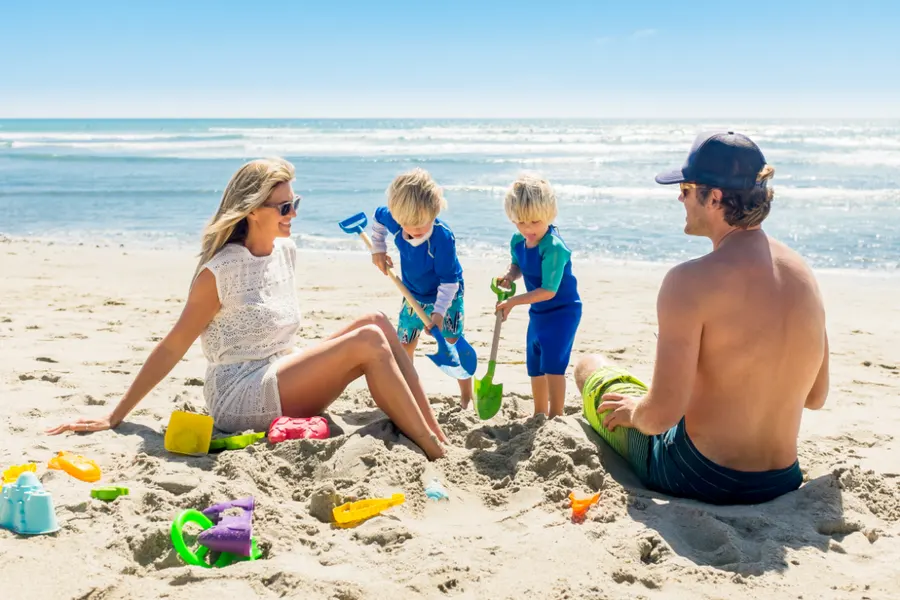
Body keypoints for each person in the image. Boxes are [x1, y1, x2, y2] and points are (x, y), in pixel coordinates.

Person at [47, 158, 447, 460]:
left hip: (281, 370)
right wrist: (114, 416)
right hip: (240, 394)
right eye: (284, 208)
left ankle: (432, 430)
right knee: (367, 342)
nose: (293, 214)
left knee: (376, 320)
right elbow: (172, 346)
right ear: (253, 209)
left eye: (295, 203)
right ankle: (432, 449)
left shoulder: (285, 252)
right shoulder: (219, 273)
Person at [576, 131, 829, 504]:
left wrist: (635, 414)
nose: (679, 196)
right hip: (781, 480)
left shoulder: (688, 281)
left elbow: (660, 416)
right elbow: (816, 396)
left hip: (699, 475)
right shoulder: (804, 274)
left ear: (714, 197)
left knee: (589, 366)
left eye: (686, 188)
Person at [370, 168, 473, 408]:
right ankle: (409, 393)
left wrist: (438, 314)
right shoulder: (395, 218)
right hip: (413, 293)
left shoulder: (442, 238)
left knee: (452, 340)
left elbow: (449, 281)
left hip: (447, 294)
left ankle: (466, 397)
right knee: (405, 343)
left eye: (421, 224)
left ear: (435, 211)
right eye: (406, 224)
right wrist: (379, 249)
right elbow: (377, 218)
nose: (414, 230)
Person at [495, 173, 582, 417]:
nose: (528, 229)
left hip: (562, 310)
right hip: (539, 310)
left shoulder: (554, 247)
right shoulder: (518, 240)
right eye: (520, 222)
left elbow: (548, 290)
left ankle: (557, 414)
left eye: (534, 222)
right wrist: (509, 276)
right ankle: (539, 412)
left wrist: (512, 302)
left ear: (549, 214)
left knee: (553, 362)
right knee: (534, 361)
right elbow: (517, 265)